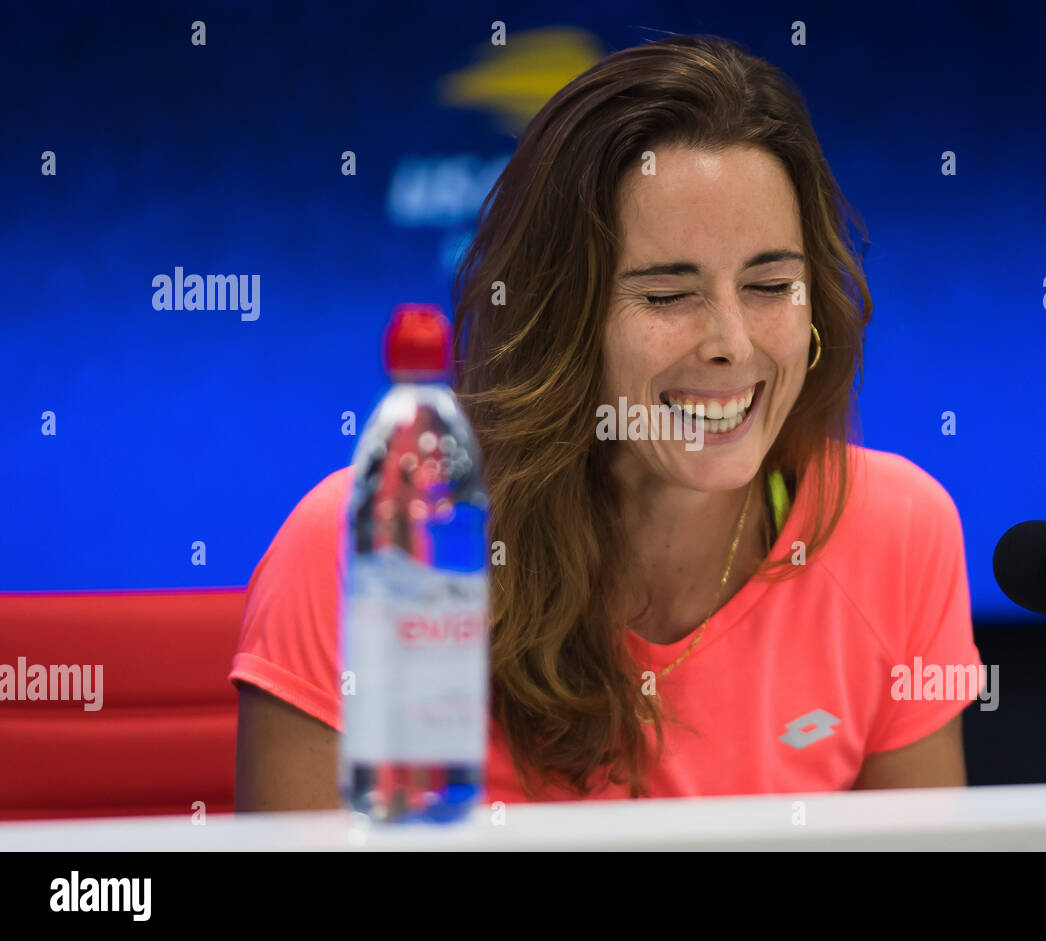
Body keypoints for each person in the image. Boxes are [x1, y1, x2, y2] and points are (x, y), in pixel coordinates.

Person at [230, 34, 983, 809]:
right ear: (561, 320)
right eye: (666, 296)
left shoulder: (900, 529)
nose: (732, 344)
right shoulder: (378, 540)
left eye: (770, 284)